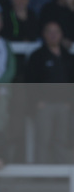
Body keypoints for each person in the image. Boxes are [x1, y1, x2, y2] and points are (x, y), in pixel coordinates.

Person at [26, 21, 74, 164]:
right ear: (44, 34)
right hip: (44, 106)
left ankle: (61, 176)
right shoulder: (37, 56)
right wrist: (36, 102)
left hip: (64, 106)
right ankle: (41, 176)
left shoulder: (68, 57)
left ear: (61, 35)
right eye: (49, 31)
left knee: (62, 140)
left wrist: (70, 103)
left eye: (56, 31)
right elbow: (29, 82)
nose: (53, 35)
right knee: (43, 141)